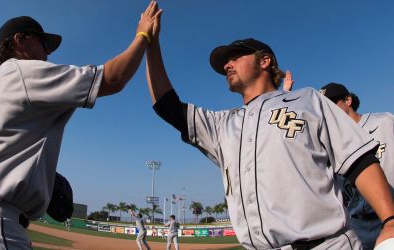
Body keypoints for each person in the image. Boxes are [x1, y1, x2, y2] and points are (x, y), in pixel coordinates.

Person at [144, 7, 394, 249]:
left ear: (264, 61)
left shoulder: (308, 100)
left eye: (235, 57)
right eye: (225, 62)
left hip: (327, 244)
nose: (226, 65)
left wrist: (390, 221)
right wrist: (151, 45)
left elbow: (358, 160)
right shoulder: (221, 124)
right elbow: (168, 107)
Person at [0, 2, 162, 249]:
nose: (48, 53)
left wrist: (36, 175)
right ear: (20, 40)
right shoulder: (22, 73)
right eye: (43, 43)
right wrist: (143, 35)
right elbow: (114, 78)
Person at [319, 82, 394, 250]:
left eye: (332, 103)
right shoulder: (330, 144)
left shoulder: (384, 122)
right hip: (360, 226)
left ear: (348, 100)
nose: (328, 110)